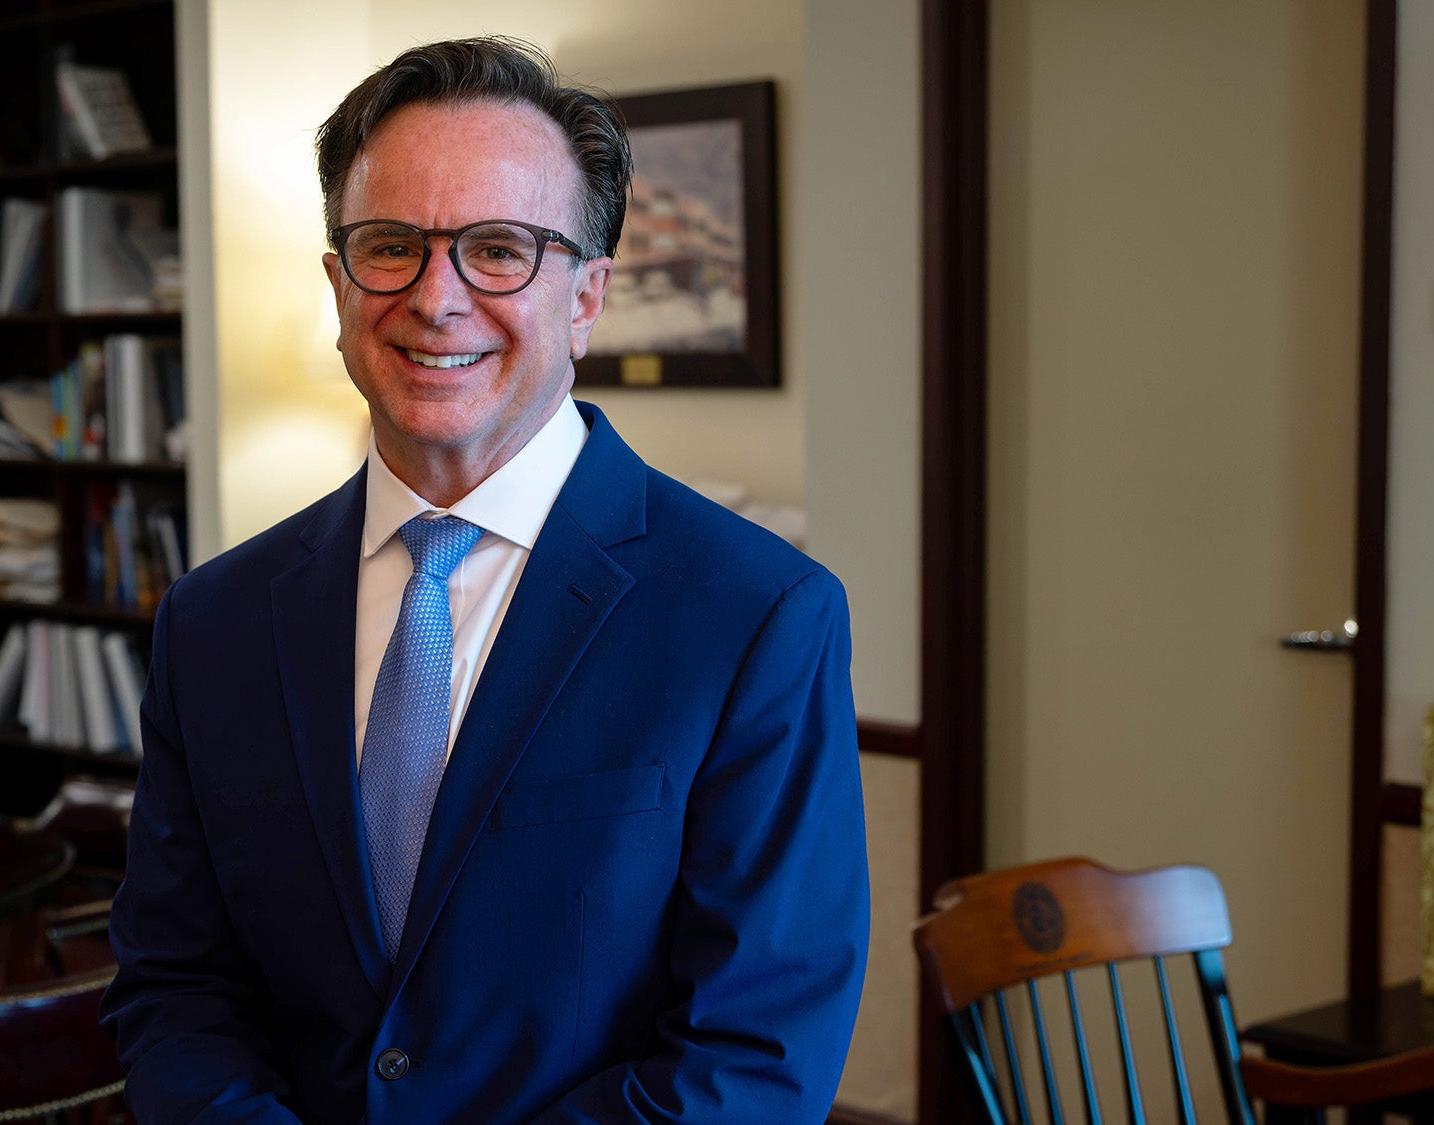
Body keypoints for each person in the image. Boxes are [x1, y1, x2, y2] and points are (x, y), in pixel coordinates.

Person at [101, 37, 867, 1124]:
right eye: (389, 247)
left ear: (587, 296)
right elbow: (177, 989)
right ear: (337, 284)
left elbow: (754, 1056)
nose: (436, 297)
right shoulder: (213, 619)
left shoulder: (755, 616)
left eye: (499, 249)